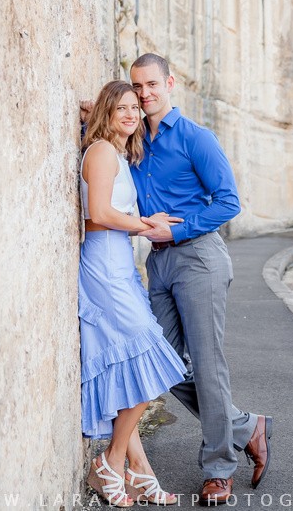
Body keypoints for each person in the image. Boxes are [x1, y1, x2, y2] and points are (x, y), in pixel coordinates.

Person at [129, 53, 273, 504]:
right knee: (162, 362)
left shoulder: (196, 138)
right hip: (160, 262)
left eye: (152, 84)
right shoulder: (134, 140)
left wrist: (179, 228)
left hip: (199, 258)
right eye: (137, 86)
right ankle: (246, 426)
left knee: (208, 365)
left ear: (170, 83)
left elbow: (229, 202)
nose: (145, 93)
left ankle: (218, 471)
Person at [78, 80, 188, 507]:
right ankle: (110, 462)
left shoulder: (118, 152)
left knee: (134, 364)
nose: (129, 114)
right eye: (119, 107)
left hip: (120, 266)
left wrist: (96, 110)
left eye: (133, 108)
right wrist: (146, 223)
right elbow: (99, 214)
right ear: (107, 112)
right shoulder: (103, 152)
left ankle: (137, 471)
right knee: (150, 354)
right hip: (104, 267)